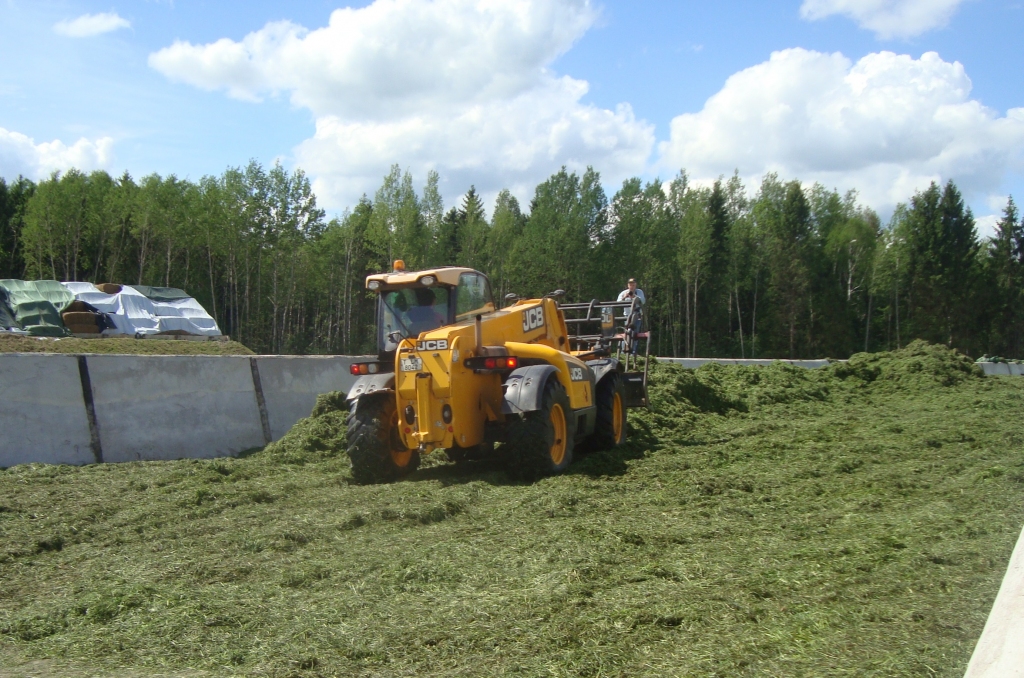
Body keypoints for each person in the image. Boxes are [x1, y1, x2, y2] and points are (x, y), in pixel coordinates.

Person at [617, 278, 645, 354]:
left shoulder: (639, 292)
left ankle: (633, 352)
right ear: (628, 285)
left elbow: (643, 301)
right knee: (626, 333)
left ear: (635, 285)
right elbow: (617, 303)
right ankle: (623, 352)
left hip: (637, 316)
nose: (631, 286)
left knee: (635, 334)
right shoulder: (623, 293)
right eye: (630, 285)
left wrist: (634, 296)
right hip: (627, 316)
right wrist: (625, 297)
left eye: (633, 285)